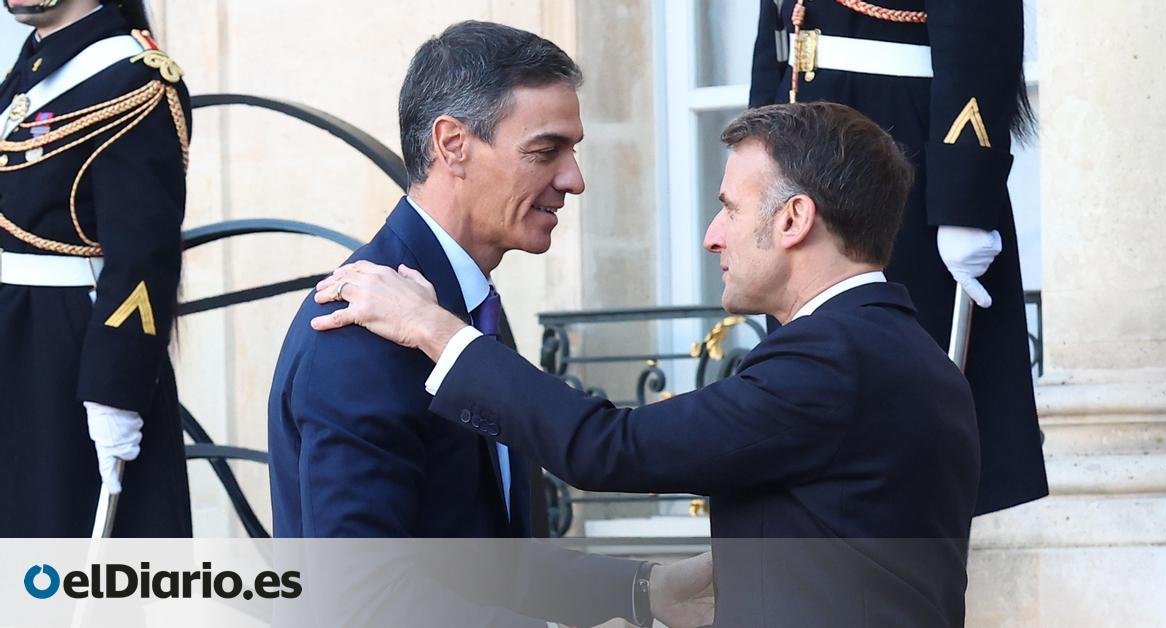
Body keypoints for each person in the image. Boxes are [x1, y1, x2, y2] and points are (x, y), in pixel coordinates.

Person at [313, 102, 981, 627]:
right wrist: (652, 590)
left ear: (793, 220)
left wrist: (434, 329)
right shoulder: (906, 354)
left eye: (729, 208)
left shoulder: (832, 359)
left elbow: (610, 448)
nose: (712, 236)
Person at [267, 21, 712, 628]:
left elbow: (490, 562)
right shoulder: (358, 331)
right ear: (453, 144)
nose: (574, 179)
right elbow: (360, 604)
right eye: (545, 151)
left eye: (573, 151)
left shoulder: (457, 310)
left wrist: (644, 590)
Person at [750, 0, 1046, 515]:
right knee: (810, 379)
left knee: (901, 404)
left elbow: (978, 28)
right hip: (801, 134)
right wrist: (755, 147)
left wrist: (963, 199)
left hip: (895, 145)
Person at [0, 0, 191, 537]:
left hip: (69, 349)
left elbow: (142, 256)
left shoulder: (133, 79)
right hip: (16, 335)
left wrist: (115, 391)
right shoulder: (30, 71)